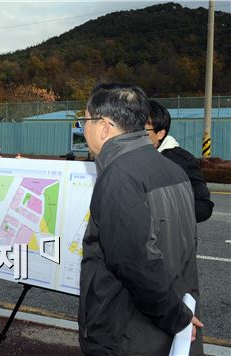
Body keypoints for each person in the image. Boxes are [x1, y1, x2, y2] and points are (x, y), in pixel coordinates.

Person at [78, 83, 203, 355]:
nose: (82, 128)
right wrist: (180, 312)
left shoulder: (119, 177)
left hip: (126, 332)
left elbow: (135, 265)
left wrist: (178, 318)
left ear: (103, 127)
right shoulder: (172, 169)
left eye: (84, 120)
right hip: (162, 327)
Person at [146, 100, 214, 222]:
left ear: (160, 134)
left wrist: (164, 212)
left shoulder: (182, 162)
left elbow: (204, 206)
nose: (135, 135)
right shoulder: (124, 158)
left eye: (144, 131)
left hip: (167, 237)